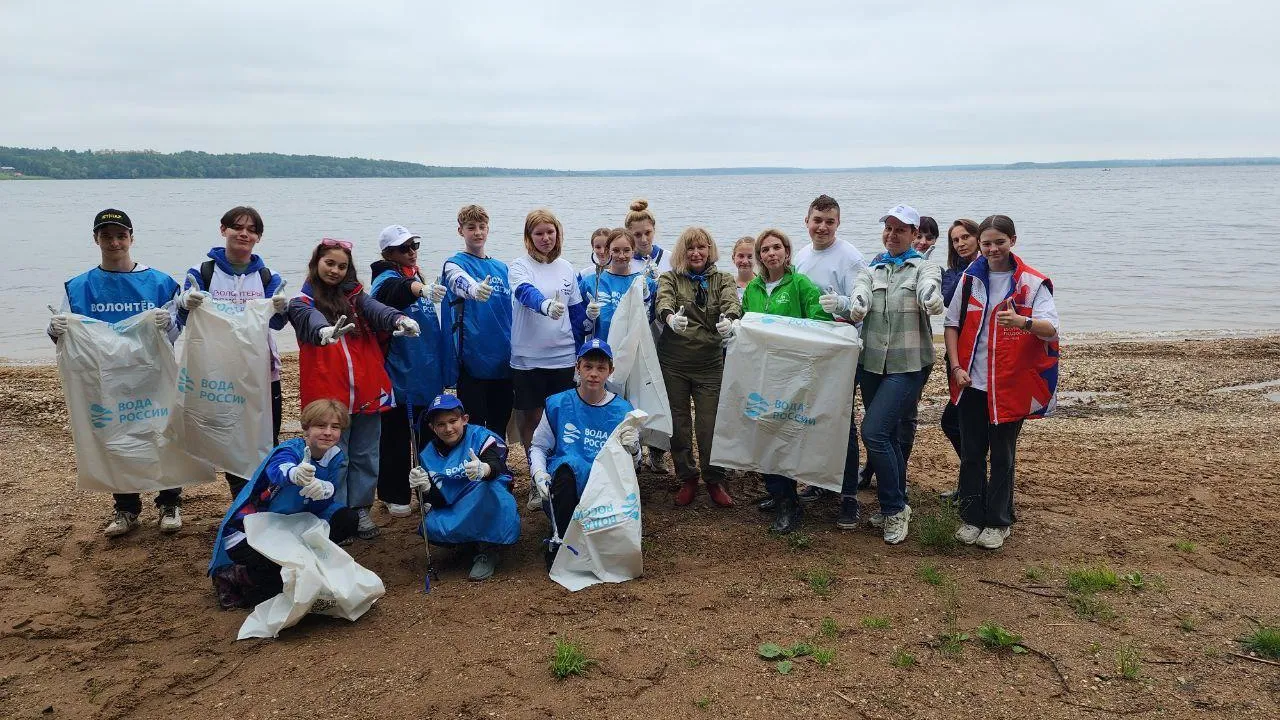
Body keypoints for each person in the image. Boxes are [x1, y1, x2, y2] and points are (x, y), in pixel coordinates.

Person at [48, 208, 182, 537]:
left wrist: (171, 324)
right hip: (105, 380)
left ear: (132, 238)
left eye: (121, 235)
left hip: (151, 377)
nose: (114, 241)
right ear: (96, 239)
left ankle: (169, 502)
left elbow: (177, 332)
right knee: (114, 438)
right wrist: (54, 329)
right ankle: (126, 508)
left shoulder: (160, 282)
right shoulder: (79, 287)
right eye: (106, 235)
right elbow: (63, 333)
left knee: (161, 434)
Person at [287, 239, 420, 540]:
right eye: (329, 263)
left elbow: (378, 310)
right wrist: (323, 331)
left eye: (342, 266)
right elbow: (308, 320)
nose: (335, 270)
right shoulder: (301, 301)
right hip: (327, 394)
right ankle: (335, 512)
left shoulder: (357, 298)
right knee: (335, 455)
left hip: (367, 389)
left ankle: (360, 509)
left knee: (366, 454)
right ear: (316, 263)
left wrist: (400, 319)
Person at [944, 214, 1059, 550]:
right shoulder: (970, 278)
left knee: (1003, 456)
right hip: (971, 382)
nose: (993, 249)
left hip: (1009, 384)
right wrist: (954, 367)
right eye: (987, 243)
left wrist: (1022, 321)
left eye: (999, 242)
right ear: (979, 244)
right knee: (971, 454)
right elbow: (952, 325)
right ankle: (971, 517)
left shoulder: (1032, 283)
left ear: (1013, 241)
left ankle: (998, 521)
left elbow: (1051, 328)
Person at [847, 204, 944, 545]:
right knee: (890, 436)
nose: (892, 234)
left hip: (907, 365)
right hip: (872, 364)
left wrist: (932, 298)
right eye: (888, 228)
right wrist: (851, 305)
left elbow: (929, 288)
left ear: (914, 235)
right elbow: (858, 294)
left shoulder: (924, 267)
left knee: (872, 431)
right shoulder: (870, 269)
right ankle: (897, 497)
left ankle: (894, 509)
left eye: (900, 229)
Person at [177, 206, 289, 497]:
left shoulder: (268, 277)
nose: (244, 233)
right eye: (237, 227)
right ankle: (241, 499)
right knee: (225, 435)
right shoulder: (202, 272)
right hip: (217, 372)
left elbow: (275, 324)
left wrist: (281, 308)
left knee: (264, 436)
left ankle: (259, 498)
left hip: (262, 373)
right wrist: (184, 302)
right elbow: (183, 318)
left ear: (259, 238)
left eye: (251, 230)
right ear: (223, 230)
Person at [209, 399, 359, 609]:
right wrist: (293, 474)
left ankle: (304, 563)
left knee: (347, 519)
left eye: (335, 427)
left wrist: (326, 490)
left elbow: (321, 505)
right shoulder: (290, 450)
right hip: (258, 525)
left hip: (296, 522)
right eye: (320, 426)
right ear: (306, 429)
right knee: (270, 593)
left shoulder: (335, 457)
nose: (328, 432)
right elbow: (278, 470)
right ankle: (236, 575)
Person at [741, 228, 831, 533]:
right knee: (762, 432)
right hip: (761, 373)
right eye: (764, 249)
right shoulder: (753, 288)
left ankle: (789, 503)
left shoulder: (800, 284)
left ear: (787, 252)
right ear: (759, 256)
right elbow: (746, 325)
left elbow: (821, 321)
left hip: (792, 374)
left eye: (776, 247)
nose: (771, 253)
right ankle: (777, 491)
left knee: (785, 436)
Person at [792, 194, 869, 528]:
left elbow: (862, 306)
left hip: (840, 353)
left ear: (838, 223)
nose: (822, 227)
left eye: (829, 222)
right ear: (806, 221)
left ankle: (849, 495)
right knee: (811, 418)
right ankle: (821, 482)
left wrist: (841, 305)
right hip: (810, 352)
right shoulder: (802, 255)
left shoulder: (850, 257)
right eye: (817, 221)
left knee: (841, 422)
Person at [528, 340, 640, 568]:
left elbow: (633, 467)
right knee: (569, 466)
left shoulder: (623, 411)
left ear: (611, 371)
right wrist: (538, 474)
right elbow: (539, 446)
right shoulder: (559, 404)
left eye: (601, 368)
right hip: (567, 482)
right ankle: (561, 543)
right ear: (577, 367)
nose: (593, 374)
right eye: (588, 367)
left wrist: (634, 449)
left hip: (605, 485)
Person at [508, 209, 590, 510]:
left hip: (563, 356)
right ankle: (535, 477)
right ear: (529, 237)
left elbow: (578, 311)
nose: (545, 238)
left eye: (550, 232)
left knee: (561, 417)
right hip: (527, 357)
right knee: (531, 418)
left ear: (558, 234)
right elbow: (523, 293)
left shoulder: (566, 267)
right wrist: (544, 305)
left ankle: (562, 474)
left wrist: (585, 341)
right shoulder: (519, 265)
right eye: (539, 233)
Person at [654, 227, 741, 507]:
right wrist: (668, 318)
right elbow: (662, 301)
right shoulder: (670, 277)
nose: (696, 253)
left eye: (701, 247)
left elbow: (731, 302)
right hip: (674, 363)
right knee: (678, 426)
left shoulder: (723, 278)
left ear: (709, 249)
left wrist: (729, 319)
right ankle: (687, 477)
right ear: (682, 251)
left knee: (709, 425)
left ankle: (714, 478)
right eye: (690, 248)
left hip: (709, 364)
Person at [369, 224, 450, 518]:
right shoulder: (385, 281)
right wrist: (420, 289)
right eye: (404, 248)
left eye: (414, 245)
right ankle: (394, 493)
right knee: (395, 439)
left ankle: (426, 489)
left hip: (427, 373)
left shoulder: (416, 275)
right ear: (388, 253)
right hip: (399, 374)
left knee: (429, 437)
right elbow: (398, 293)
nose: (412, 252)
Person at [411, 393, 521, 581]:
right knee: (430, 526)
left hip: (485, 498)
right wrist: (425, 489)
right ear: (432, 428)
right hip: (455, 504)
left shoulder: (482, 437)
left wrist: (484, 469)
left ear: (464, 419)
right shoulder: (427, 454)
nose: (448, 428)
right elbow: (436, 500)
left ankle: (488, 548)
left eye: (453, 421)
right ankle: (469, 542)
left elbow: (497, 465)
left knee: (490, 489)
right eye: (441, 424)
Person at [441, 204, 513, 437]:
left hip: (504, 358)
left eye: (482, 227)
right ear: (460, 231)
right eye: (471, 228)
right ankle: (474, 468)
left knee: (499, 419)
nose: (478, 232)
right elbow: (457, 280)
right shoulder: (455, 263)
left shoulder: (501, 268)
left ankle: (498, 466)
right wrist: (473, 289)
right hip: (472, 359)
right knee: (473, 421)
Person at [624, 199, 672, 473]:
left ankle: (657, 450)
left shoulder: (667, 258)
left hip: (662, 334)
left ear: (654, 230)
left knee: (658, 388)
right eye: (637, 235)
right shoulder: (624, 259)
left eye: (647, 233)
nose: (643, 239)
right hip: (635, 335)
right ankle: (634, 449)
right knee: (635, 391)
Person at [937, 218, 981, 490]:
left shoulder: (991, 270)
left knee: (961, 421)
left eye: (966, 237)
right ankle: (972, 480)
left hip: (981, 352)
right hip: (956, 353)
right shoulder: (953, 273)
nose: (961, 243)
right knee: (956, 422)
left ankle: (974, 481)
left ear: (977, 237)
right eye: (955, 240)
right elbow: (949, 298)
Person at [580, 227, 657, 343]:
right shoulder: (590, 283)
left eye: (626, 250)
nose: (621, 256)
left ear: (633, 251)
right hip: (601, 353)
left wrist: (647, 297)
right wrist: (588, 317)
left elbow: (650, 320)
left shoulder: (646, 283)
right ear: (608, 251)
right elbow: (579, 325)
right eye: (616, 250)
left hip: (633, 351)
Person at [730, 236, 755, 300]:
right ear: (733, 258)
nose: (745, 261)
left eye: (750, 257)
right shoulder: (728, 286)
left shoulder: (764, 285)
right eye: (741, 256)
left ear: (757, 259)